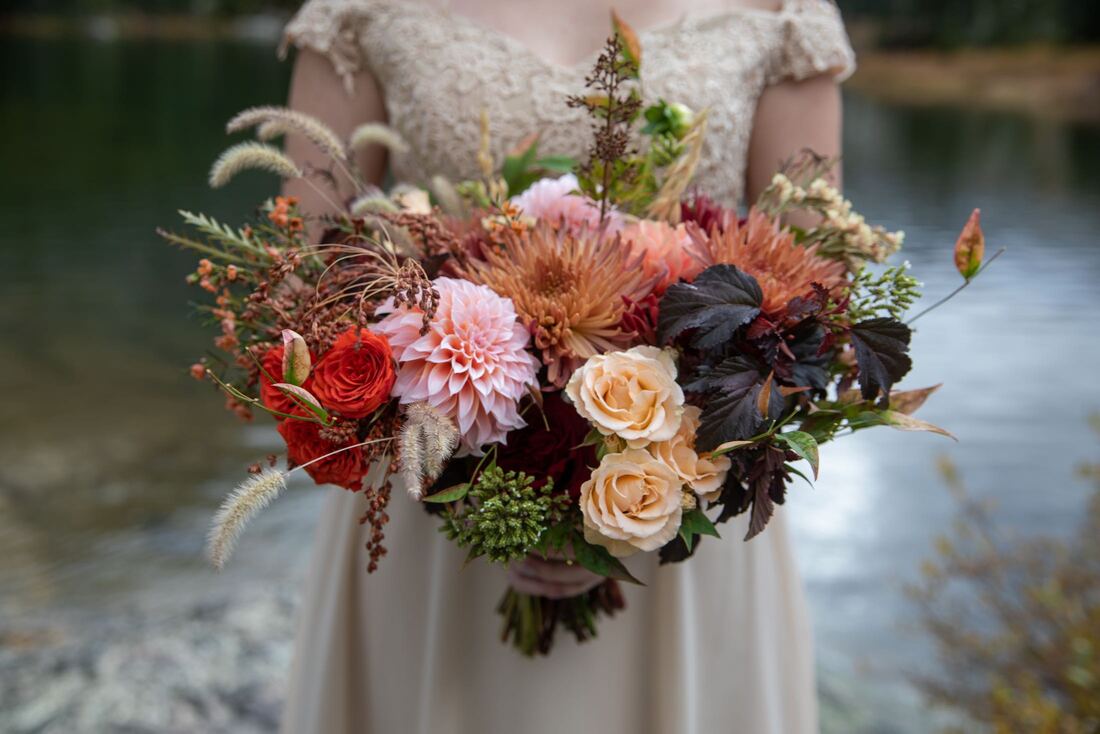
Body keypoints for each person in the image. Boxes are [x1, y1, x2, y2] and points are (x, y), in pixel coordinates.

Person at [278, 1, 854, 732]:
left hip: (680, 515)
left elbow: (814, 300)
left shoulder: (781, 13)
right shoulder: (361, 12)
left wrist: (643, 498)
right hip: (436, 498)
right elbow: (305, 273)